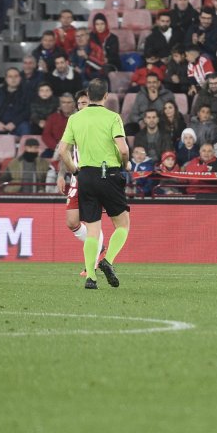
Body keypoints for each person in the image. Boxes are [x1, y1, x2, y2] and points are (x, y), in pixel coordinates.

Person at [57, 79, 132, 290]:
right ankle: (108, 261)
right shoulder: (112, 117)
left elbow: (63, 151)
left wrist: (74, 170)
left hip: (85, 177)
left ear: (88, 96)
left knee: (92, 230)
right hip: (109, 173)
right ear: (106, 96)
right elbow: (123, 149)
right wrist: (125, 164)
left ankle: (91, 277)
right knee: (123, 224)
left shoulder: (75, 119)